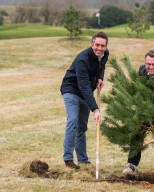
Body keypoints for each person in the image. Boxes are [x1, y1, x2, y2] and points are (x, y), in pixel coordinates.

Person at [60, 32, 109, 169]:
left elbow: (102, 65)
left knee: (82, 126)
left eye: (102, 46)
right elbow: (84, 86)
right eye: (97, 45)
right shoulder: (82, 59)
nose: (99, 48)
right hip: (71, 90)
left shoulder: (105, 54)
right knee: (73, 120)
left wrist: (100, 77)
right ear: (92, 44)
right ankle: (68, 159)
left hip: (85, 93)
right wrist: (95, 109)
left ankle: (83, 160)